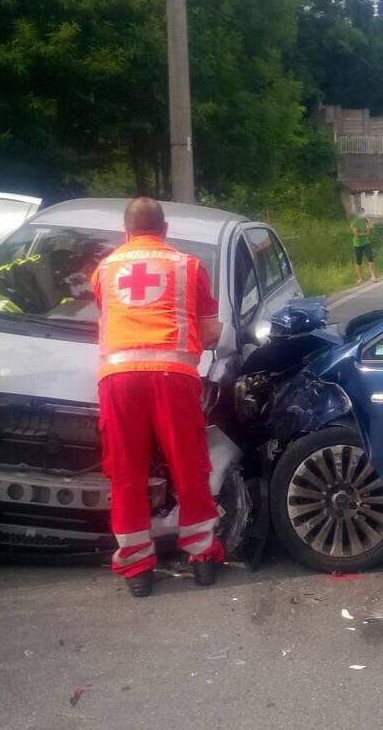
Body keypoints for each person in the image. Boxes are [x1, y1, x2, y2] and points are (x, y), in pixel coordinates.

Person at [91, 197, 225, 598]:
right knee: (189, 466)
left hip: (118, 379)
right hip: (173, 377)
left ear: (126, 231)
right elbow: (212, 332)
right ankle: (202, 557)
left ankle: (137, 570)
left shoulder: (105, 269)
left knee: (126, 472)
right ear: (164, 230)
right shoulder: (189, 266)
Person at [350, 209, 375, 283]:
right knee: (359, 261)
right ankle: (360, 278)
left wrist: (369, 225)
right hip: (357, 244)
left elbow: (369, 229)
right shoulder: (354, 222)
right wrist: (366, 233)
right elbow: (356, 234)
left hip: (366, 242)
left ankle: (373, 275)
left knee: (370, 258)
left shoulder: (365, 221)